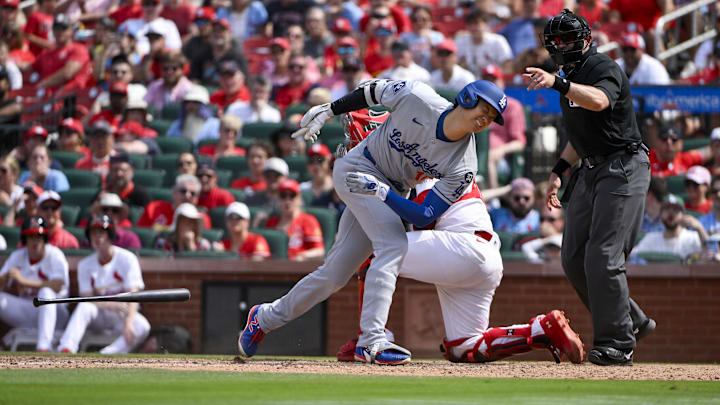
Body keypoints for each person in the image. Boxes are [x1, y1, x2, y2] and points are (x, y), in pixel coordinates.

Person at [237, 76, 507, 365]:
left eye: (492, 116)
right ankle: (372, 341)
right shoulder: (419, 96)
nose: (485, 119)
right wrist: (330, 109)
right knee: (393, 246)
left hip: (386, 190)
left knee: (334, 275)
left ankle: (264, 318)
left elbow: (426, 213)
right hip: (358, 167)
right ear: (466, 98)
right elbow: (372, 90)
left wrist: (383, 193)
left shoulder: (465, 164)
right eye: (484, 109)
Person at [336, 177, 584, 364]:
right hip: (481, 257)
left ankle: (369, 340)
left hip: (464, 247)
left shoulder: (434, 168)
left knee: (376, 252)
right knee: (465, 347)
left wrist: (382, 195)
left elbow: (423, 219)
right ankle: (542, 330)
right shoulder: (451, 163)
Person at [530, 9, 655, 366]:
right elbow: (580, 133)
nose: (562, 44)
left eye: (568, 38)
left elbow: (599, 100)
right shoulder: (570, 75)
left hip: (623, 166)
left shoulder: (603, 67)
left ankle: (618, 341)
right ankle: (631, 320)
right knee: (572, 259)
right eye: (556, 40)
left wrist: (557, 83)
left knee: (603, 256)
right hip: (589, 168)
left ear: (585, 38)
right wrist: (558, 169)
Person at [58, 214, 151, 354]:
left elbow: (134, 295)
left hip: (121, 314)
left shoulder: (127, 258)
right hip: (100, 314)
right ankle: (66, 349)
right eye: (93, 232)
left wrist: (128, 323)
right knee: (84, 307)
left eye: (101, 232)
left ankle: (106, 355)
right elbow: (86, 298)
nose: (97, 237)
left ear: (110, 234)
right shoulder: (85, 264)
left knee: (142, 326)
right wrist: (109, 304)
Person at [0, 216, 70, 351]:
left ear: (45, 238)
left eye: (39, 236)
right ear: (25, 239)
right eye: (31, 236)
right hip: (28, 310)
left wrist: (24, 281)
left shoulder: (54, 254)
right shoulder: (17, 256)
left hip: (57, 313)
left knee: (46, 293)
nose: (35, 240)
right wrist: (5, 278)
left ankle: (43, 347)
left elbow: (57, 285)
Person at [482, 64, 527, 189]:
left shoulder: (512, 106)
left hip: (500, 159)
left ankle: (494, 203)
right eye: (486, 80)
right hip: (476, 153)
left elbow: (520, 143)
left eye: (493, 80)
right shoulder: (475, 105)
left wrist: (501, 150)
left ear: (502, 83)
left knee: (488, 158)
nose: (490, 84)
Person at [264, 179, 324, 261]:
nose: (287, 200)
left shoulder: (308, 220)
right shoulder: (271, 222)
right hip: (275, 267)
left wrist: (301, 256)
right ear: (278, 199)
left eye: (292, 196)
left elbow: (319, 251)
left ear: (299, 198)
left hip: (298, 269)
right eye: (283, 196)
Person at [632, 195, 705, 261]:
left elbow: (710, 254)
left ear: (683, 215)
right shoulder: (651, 238)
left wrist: (700, 228)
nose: (671, 213)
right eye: (667, 209)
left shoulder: (692, 238)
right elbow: (632, 256)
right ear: (660, 214)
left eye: (675, 209)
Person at [30, 14, 92, 92]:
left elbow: (67, 73)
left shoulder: (79, 49)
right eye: (56, 28)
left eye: (63, 28)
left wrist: (43, 84)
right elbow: (31, 67)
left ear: (71, 30)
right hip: (48, 98)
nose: (59, 32)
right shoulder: (47, 52)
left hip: (71, 99)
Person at [137, 174, 211, 231]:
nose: (187, 195)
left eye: (193, 193)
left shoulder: (202, 219)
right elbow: (140, 235)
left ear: (197, 198)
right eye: (183, 191)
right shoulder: (153, 208)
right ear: (174, 192)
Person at [455, 10, 513, 78]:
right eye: (470, 24)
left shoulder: (498, 41)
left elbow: (508, 65)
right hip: (467, 83)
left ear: (486, 24)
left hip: (491, 81)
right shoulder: (460, 41)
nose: (473, 28)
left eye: (477, 23)